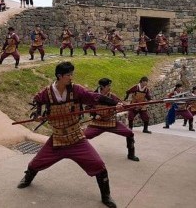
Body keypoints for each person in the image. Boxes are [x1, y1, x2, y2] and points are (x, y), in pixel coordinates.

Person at [17, 62, 120, 208]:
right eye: (69, 75)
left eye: (72, 74)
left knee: (99, 165)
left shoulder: (76, 90)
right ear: (59, 76)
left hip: (76, 138)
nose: (72, 77)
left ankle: (106, 195)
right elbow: (37, 101)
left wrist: (113, 103)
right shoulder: (46, 93)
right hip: (57, 139)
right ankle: (27, 179)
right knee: (35, 163)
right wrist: (39, 114)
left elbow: (93, 97)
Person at [84, 78, 140, 161]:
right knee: (84, 136)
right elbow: (87, 107)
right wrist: (94, 115)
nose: (110, 87)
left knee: (129, 133)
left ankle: (131, 154)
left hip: (111, 122)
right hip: (97, 123)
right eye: (108, 86)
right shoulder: (94, 96)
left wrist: (132, 106)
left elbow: (121, 104)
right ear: (102, 87)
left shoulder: (112, 96)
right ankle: (85, 155)